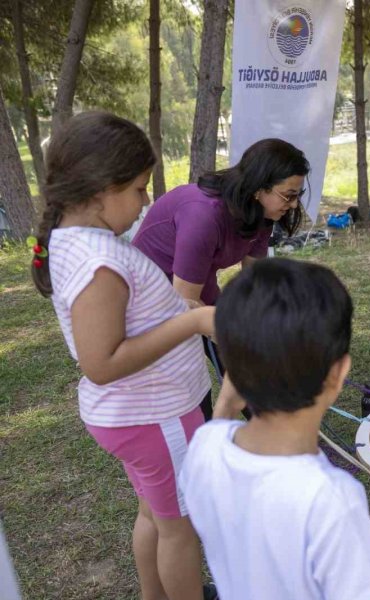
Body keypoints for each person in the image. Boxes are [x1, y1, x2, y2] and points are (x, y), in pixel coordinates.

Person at [179, 259, 370, 600]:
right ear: (339, 374)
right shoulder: (329, 498)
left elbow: (220, 421)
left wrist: (231, 395)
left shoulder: (205, 445)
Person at [31, 112, 214, 600]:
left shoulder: (82, 242)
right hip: (156, 414)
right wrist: (192, 322)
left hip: (139, 415)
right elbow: (102, 362)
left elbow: (132, 319)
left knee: (156, 514)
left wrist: (182, 309)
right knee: (179, 530)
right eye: (138, 189)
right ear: (99, 192)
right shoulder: (100, 262)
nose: (146, 200)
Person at [132, 139, 310, 418]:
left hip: (196, 285)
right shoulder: (204, 215)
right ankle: (200, 430)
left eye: (297, 195)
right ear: (259, 188)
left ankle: (271, 428)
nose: (294, 204)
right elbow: (185, 305)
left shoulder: (262, 213)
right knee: (192, 384)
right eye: (288, 196)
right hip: (151, 299)